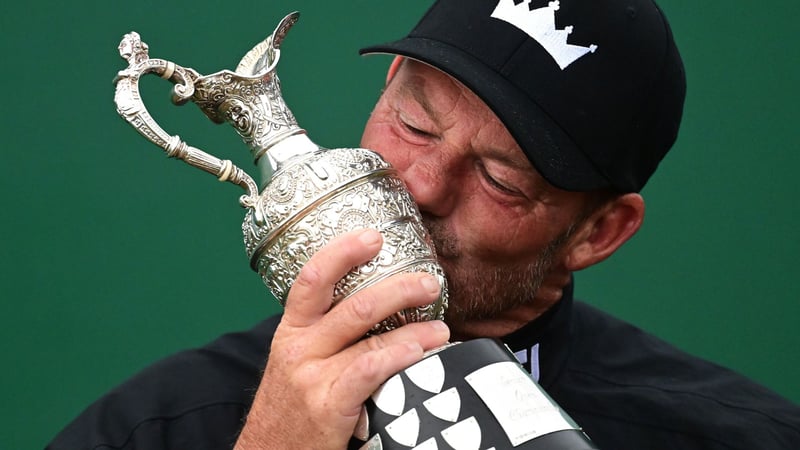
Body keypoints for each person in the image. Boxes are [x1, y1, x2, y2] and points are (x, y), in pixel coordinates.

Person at [48, 0, 800, 449]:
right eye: (413, 122)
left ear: (597, 233)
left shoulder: (739, 437)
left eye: (501, 178)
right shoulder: (156, 428)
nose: (422, 184)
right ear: (385, 89)